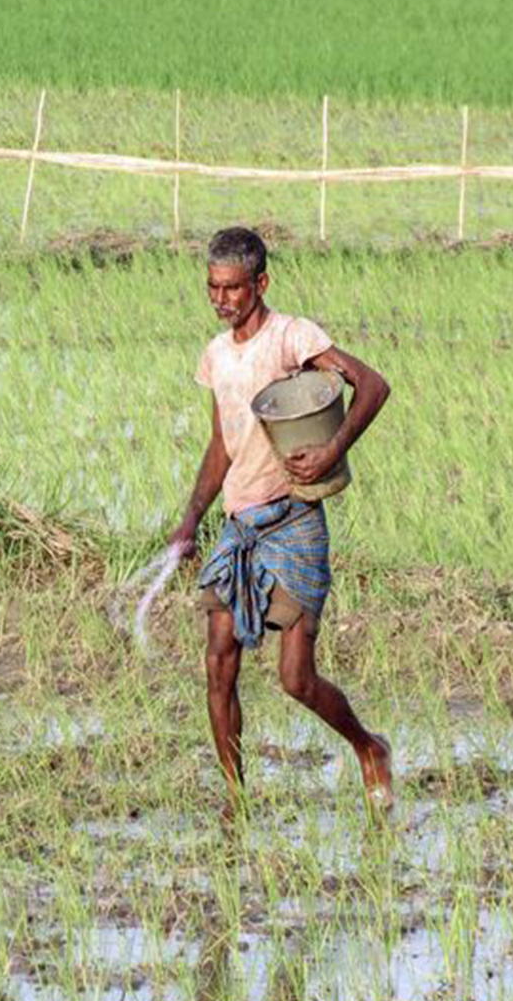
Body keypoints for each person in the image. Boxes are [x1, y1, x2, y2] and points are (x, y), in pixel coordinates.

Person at [169, 226, 394, 820]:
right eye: (213, 288)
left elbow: (372, 386)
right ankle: (236, 800)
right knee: (218, 661)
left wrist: (332, 449)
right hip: (239, 524)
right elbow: (223, 443)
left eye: (234, 289)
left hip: (294, 520)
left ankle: (369, 748)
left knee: (297, 679)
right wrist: (190, 519)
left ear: (260, 283)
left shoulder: (293, 336)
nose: (222, 300)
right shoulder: (216, 356)